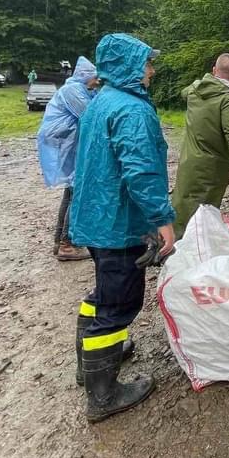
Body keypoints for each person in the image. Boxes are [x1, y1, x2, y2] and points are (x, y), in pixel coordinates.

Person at [69, 33, 176, 423]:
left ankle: (89, 362)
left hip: (96, 218)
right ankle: (103, 395)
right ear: (129, 65)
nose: (151, 70)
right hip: (116, 222)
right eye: (147, 63)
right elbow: (142, 173)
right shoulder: (132, 110)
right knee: (118, 304)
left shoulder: (101, 102)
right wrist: (163, 221)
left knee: (102, 291)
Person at [172, 53, 229, 237]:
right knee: (203, 214)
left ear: (213, 70)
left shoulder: (194, 90)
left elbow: (183, 92)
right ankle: (190, 253)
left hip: (189, 162)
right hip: (212, 168)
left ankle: (169, 248)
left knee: (182, 205)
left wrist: (199, 82)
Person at [36, 56, 100, 261]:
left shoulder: (80, 89)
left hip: (70, 146)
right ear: (85, 76)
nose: (97, 81)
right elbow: (91, 114)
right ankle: (67, 244)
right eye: (95, 77)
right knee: (77, 194)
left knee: (71, 192)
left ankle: (59, 241)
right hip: (66, 145)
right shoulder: (72, 90)